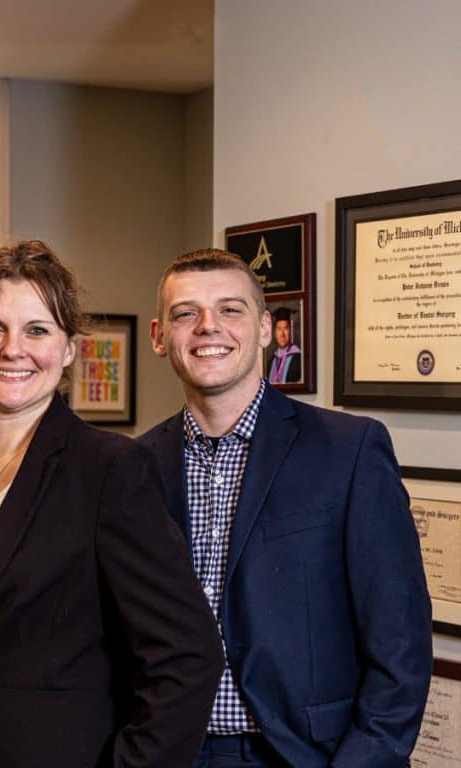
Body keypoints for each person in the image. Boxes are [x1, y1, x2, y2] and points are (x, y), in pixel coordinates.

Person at [0, 240, 224, 768]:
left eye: (37, 331)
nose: (12, 350)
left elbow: (188, 657)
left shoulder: (110, 469)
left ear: (69, 348)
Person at [141, 248, 432, 768]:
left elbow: (400, 641)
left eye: (230, 309)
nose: (208, 326)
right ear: (160, 337)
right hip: (170, 753)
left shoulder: (348, 451)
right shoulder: (133, 466)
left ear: (264, 329)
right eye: (186, 313)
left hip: (303, 756)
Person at [266, 306, 301, 384]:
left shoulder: (299, 360)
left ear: (291, 331)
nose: (282, 334)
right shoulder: (270, 362)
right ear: (275, 333)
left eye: (285, 328)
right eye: (279, 328)